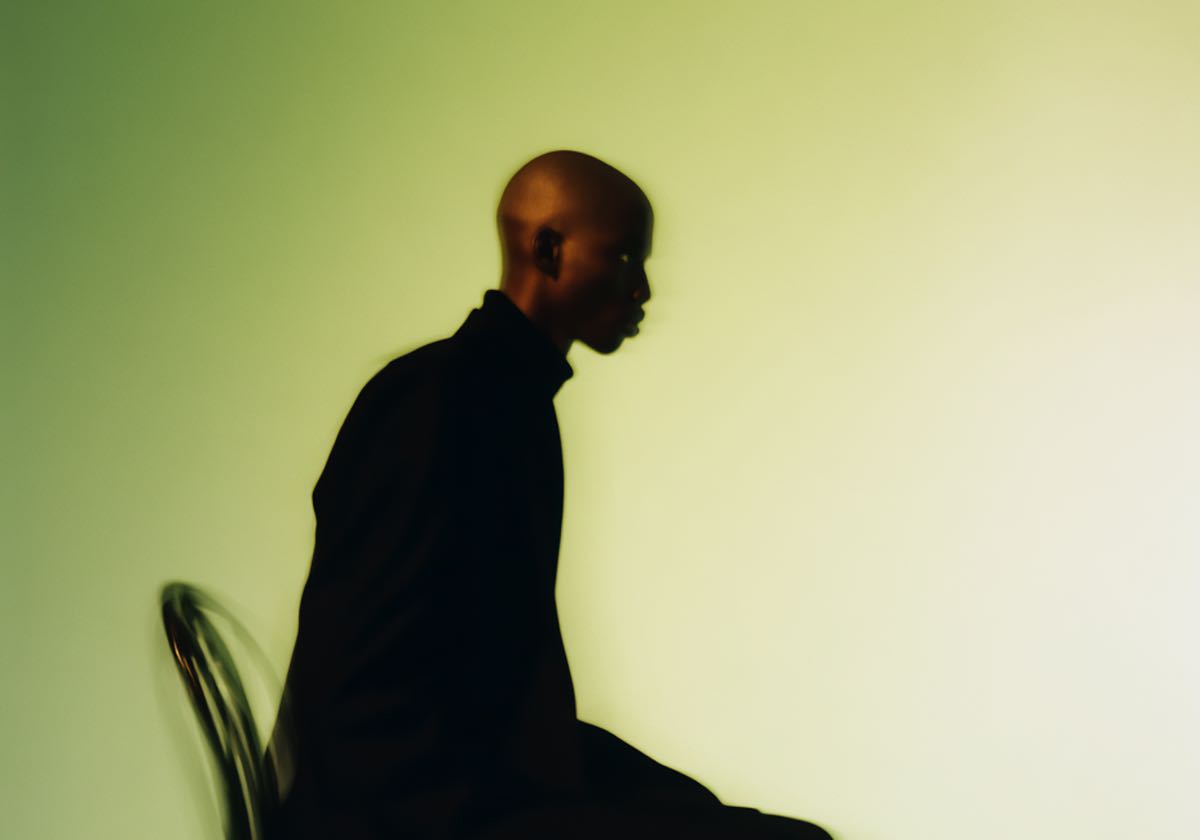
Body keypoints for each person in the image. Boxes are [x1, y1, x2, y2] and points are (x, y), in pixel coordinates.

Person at [267, 150, 832, 839]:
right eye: (624, 257)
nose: (643, 289)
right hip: (399, 810)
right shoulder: (438, 396)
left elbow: (494, 693)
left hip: (461, 787)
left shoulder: (507, 405)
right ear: (548, 250)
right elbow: (360, 680)